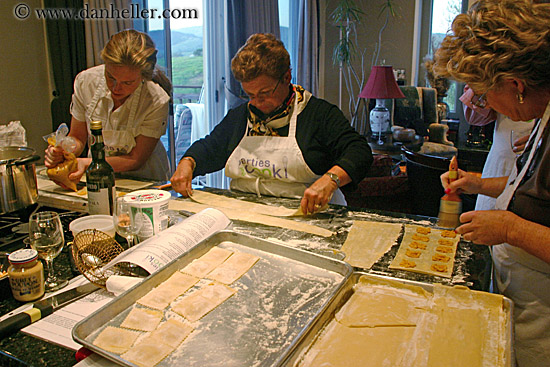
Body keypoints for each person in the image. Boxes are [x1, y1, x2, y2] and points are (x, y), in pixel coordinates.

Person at [433, 1, 550, 365]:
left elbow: (524, 218)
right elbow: (532, 194)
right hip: (524, 300)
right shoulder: (543, 119)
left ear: (516, 85)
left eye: (484, 94)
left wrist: (511, 228)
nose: (487, 105)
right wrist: (476, 183)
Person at [170, 33, 372, 215]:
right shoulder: (240, 117)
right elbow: (210, 147)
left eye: (265, 93)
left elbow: (359, 151)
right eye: (249, 94)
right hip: (246, 210)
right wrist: (188, 162)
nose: (256, 102)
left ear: (286, 77)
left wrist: (330, 180)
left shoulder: (318, 115)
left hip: (308, 214)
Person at [45, 29, 171, 184]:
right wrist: (65, 150)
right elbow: (78, 137)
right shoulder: (86, 82)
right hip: (98, 176)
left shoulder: (156, 100)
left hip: (144, 180)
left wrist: (87, 163)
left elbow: (135, 159)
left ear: (143, 77)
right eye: (110, 77)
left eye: (127, 83)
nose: (116, 88)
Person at [460, 85, 535, 211]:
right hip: (500, 162)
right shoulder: (493, 88)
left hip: (535, 176)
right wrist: (480, 185)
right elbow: (474, 117)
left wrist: (542, 138)